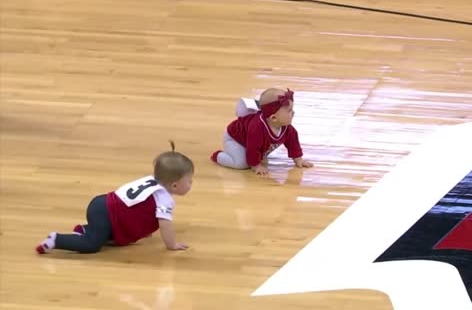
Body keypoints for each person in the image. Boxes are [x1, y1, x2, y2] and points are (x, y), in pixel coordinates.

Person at [35, 141, 194, 254]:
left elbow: (136, 208)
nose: (191, 184)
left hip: (101, 203)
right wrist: (172, 244)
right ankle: (56, 240)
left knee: (109, 237)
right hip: (107, 214)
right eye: (189, 181)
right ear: (174, 185)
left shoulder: (151, 180)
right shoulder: (164, 198)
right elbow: (165, 224)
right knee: (92, 245)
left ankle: (85, 230)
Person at [210, 88, 313, 175]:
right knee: (242, 164)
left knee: (260, 153)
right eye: (289, 111)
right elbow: (252, 147)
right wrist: (255, 165)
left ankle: (256, 156)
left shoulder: (287, 128)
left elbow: (293, 142)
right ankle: (218, 156)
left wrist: (298, 159)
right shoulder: (257, 128)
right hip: (235, 139)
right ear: (273, 118)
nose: (293, 113)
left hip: (250, 140)